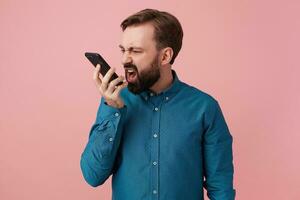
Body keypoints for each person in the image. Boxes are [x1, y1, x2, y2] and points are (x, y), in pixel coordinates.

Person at [80, 8, 236, 200]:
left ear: (165, 56)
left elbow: (221, 188)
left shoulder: (205, 108)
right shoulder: (115, 102)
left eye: (135, 51)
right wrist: (111, 109)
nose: (124, 59)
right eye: (123, 50)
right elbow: (92, 176)